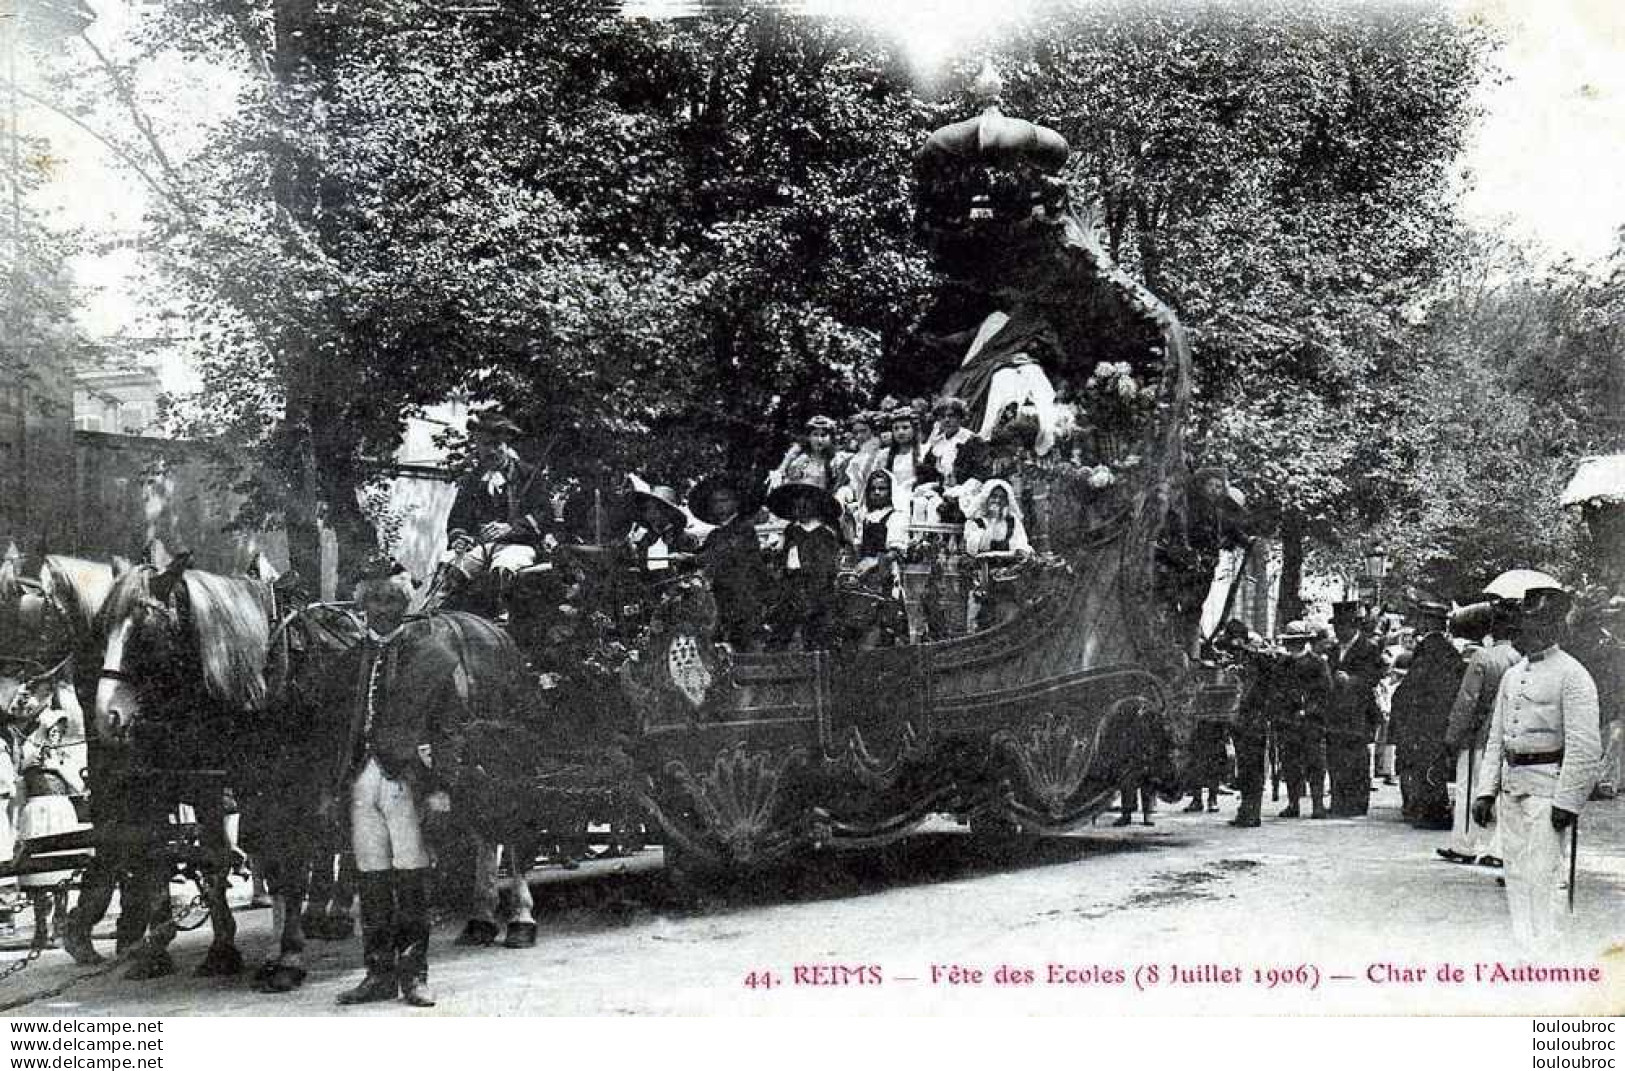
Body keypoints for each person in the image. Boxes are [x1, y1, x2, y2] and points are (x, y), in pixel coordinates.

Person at [336, 566, 461, 1008]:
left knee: (411, 877)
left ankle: (415, 976)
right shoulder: (350, 660)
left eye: (392, 600)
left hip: (408, 779)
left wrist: (442, 785)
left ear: (404, 605)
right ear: (362, 606)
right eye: (375, 600)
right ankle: (378, 974)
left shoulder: (430, 657)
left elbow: (447, 728)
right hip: (360, 783)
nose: (383, 609)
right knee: (370, 877)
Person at [1472, 585, 1602, 956]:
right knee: (1514, 870)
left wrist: (1569, 800)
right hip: (1513, 786)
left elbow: (1584, 745)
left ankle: (1548, 948)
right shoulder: (1513, 675)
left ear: (1553, 627)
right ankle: (1522, 943)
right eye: (1523, 622)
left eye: (1534, 622)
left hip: (1548, 788)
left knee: (1543, 873)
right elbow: (1497, 737)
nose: (1524, 630)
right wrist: (1486, 791)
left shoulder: (1573, 676)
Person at [436, 412, 553, 603]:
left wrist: (511, 528)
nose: (491, 451)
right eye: (484, 445)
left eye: (496, 445)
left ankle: (502, 622)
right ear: (477, 447)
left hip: (519, 546)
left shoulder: (528, 475)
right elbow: (457, 519)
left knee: (503, 569)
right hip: (480, 546)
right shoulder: (472, 480)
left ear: (507, 445)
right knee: (449, 567)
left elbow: (544, 515)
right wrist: (460, 538)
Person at [1439, 598, 1520, 866]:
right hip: (1508, 736)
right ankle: (1498, 849)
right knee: (1503, 792)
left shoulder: (1483, 658)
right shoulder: (1518, 659)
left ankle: (1464, 844)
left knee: (1469, 789)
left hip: (1477, 737)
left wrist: (1453, 735)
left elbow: (1467, 700)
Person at [1390, 601, 1462, 829]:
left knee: (1427, 764)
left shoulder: (1430, 648)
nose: (1418, 623)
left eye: (1422, 618)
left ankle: (1431, 811)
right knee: (1432, 763)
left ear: (1430, 621)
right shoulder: (1448, 650)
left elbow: (1416, 684)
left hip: (1425, 719)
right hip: (1437, 717)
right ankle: (1431, 808)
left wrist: (1400, 702)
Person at [690, 474, 770, 651]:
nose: (719, 506)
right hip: (721, 598)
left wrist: (701, 558)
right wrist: (690, 558)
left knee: (745, 642)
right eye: (715, 502)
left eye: (724, 500)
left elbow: (726, 552)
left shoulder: (744, 529)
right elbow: (705, 555)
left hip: (744, 597)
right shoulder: (714, 535)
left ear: (736, 503)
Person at [765, 482, 844, 652]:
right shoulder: (792, 531)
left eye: (805, 504)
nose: (800, 508)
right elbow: (785, 555)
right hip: (791, 583)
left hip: (814, 586)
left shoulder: (824, 534)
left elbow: (824, 568)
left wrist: (814, 586)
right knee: (784, 625)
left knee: (815, 628)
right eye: (796, 504)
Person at [1324, 601, 1384, 817]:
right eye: (1336, 627)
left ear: (1354, 626)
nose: (1339, 631)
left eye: (1343, 627)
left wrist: (1352, 680)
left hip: (1359, 712)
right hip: (1334, 712)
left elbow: (1374, 677)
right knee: (1335, 756)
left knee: (1356, 757)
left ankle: (1357, 803)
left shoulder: (1368, 648)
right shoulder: (1331, 650)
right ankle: (1338, 801)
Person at [1275, 621, 1332, 819]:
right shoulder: (1282, 664)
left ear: (1304, 641)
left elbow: (1324, 692)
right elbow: (1277, 691)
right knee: (1290, 762)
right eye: (1290, 642)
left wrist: (1309, 710)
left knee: (1314, 762)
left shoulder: (1318, 663)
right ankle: (1293, 803)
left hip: (1311, 721)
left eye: (1297, 641)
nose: (1293, 646)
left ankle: (1317, 803)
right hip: (1288, 721)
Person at [961, 479, 1032, 632]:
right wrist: (992, 522)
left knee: (1011, 616)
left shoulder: (1012, 522)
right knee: (979, 617)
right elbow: (977, 549)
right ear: (986, 499)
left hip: (1007, 579)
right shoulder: (976, 522)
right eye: (993, 497)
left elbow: (1019, 545)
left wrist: (1019, 553)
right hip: (983, 579)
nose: (997, 501)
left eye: (1001, 497)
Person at [768, 415, 840, 492]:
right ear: (809, 437)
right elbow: (782, 473)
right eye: (815, 434)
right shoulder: (798, 457)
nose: (819, 440)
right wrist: (777, 476)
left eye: (823, 435)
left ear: (830, 438)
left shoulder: (833, 461)